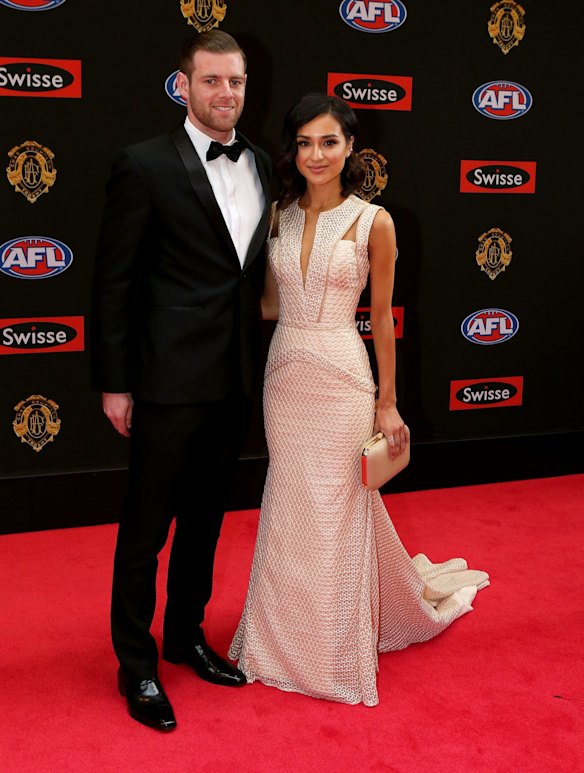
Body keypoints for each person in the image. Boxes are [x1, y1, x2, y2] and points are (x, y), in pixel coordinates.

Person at [228, 94, 489, 706]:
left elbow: (383, 317)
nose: (316, 154)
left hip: (344, 375)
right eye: (304, 143)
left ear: (350, 148)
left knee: (339, 506)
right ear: (293, 151)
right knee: (292, 502)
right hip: (286, 374)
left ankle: (331, 650)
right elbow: (268, 304)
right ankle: (277, 639)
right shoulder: (278, 216)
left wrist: (388, 404)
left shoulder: (375, 221)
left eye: (329, 142)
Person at [91, 31, 271, 731]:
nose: (226, 94)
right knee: (145, 530)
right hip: (164, 381)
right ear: (184, 85)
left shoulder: (261, 163)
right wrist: (115, 382)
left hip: (233, 381)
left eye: (236, 82)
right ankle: (134, 662)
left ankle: (186, 635)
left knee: (204, 523)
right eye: (212, 81)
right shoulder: (141, 166)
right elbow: (112, 284)